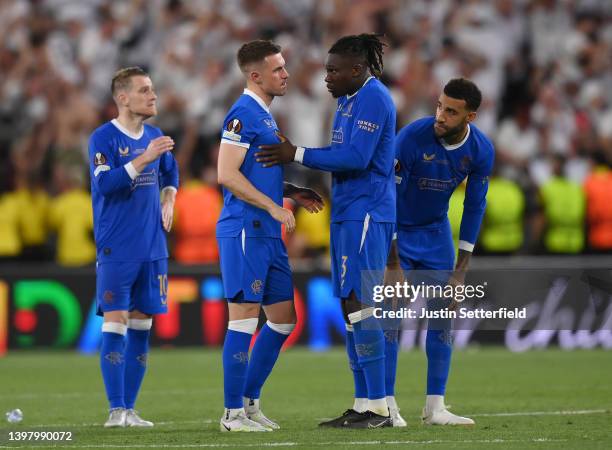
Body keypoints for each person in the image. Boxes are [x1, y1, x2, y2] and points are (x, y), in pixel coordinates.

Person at [255, 34, 399, 429]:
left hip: (367, 211)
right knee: (349, 306)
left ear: (358, 68)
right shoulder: (348, 100)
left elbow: (356, 157)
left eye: (334, 70)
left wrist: (295, 153)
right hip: (347, 210)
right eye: (326, 70)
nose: (327, 78)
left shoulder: (374, 97)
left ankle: (381, 408)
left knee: (361, 302)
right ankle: (364, 402)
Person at [216, 40, 324, 432]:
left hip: (266, 231)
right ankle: (231, 414)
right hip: (245, 229)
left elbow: (255, 172)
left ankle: (249, 401)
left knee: (282, 320)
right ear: (255, 75)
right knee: (243, 319)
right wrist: (274, 207)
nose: (286, 74)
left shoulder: (265, 116)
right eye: (278, 69)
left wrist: (290, 192)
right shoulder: (242, 114)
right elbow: (227, 174)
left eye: (284, 67)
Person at [387, 78, 495, 425]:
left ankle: (435, 407)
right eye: (439, 106)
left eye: (451, 111)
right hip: (398, 233)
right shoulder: (410, 138)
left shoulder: (480, 151)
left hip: (436, 236)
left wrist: (461, 269)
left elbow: (475, 206)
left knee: (443, 317)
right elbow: (386, 197)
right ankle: (385, 404)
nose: (440, 116)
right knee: (389, 317)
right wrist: (393, 260)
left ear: (470, 117)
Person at [88, 66, 179, 428]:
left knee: (142, 326)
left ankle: (131, 410)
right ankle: (115, 410)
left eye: (153, 89)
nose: (153, 96)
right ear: (123, 98)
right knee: (116, 322)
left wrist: (169, 197)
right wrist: (143, 158)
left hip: (153, 248)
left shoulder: (156, 135)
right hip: (117, 248)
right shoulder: (103, 138)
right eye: (144, 90)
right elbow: (106, 184)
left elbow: (171, 172)